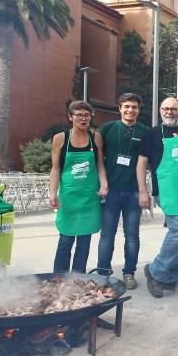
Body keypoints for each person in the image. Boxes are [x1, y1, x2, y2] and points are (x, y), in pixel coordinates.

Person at [137, 97, 178, 298]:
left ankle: (171, 277)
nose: (169, 112)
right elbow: (141, 164)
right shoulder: (152, 134)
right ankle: (156, 271)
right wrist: (143, 191)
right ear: (160, 111)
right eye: (166, 109)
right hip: (168, 190)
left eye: (173, 108)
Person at [96, 93, 149, 289]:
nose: (130, 110)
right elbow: (98, 159)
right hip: (110, 192)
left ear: (138, 109)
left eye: (134, 107)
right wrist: (101, 184)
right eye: (126, 106)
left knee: (132, 235)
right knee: (107, 235)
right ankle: (103, 273)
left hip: (133, 192)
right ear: (119, 108)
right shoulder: (106, 129)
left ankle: (129, 273)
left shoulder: (145, 131)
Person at [49, 101, 108, 273]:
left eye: (87, 115)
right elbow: (55, 168)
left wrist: (104, 184)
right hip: (69, 197)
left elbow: (100, 165)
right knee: (65, 240)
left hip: (90, 198)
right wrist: (53, 193)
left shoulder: (95, 137)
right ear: (70, 117)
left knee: (84, 241)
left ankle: (78, 278)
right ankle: (58, 278)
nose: (83, 118)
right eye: (79, 115)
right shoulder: (60, 138)